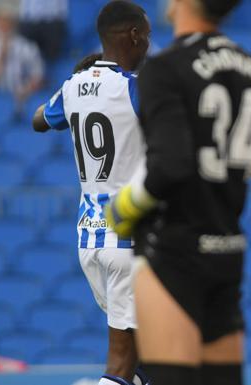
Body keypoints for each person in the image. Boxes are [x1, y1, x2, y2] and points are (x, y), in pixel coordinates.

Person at [104, 0, 251, 384]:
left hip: (173, 251)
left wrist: (126, 206)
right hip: (226, 250)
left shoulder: (164, 68)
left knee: (166, 378)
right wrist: (233, 157)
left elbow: (170, 166)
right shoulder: (247, 67)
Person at [31, 2, 151, 385]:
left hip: (89, 240)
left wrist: (83, 82)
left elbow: (38, 120)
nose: (148, 43)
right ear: (133, 35)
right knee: (120, 364)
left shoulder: (72, 87)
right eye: (146, 35)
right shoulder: (134, 88)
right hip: (129, 240)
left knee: (147, 360)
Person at [0, 5, 44, 117]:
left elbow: (38, 76)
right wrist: (1, 55)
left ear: (13, 24)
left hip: (23, 98)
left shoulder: (26, 46)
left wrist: (25, 89)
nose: (3, 26)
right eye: (0, 22)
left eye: (6, 22)